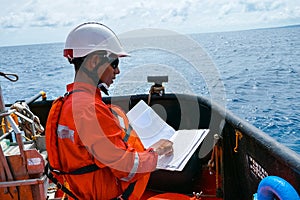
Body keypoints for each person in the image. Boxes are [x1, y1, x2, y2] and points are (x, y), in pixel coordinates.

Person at [45, 22, 173, 200]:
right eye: (114, 63)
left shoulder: (66, 105)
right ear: (95, 61)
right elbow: (126, 170)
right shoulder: (90, 110)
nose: (117, 71)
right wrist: (156, 152)